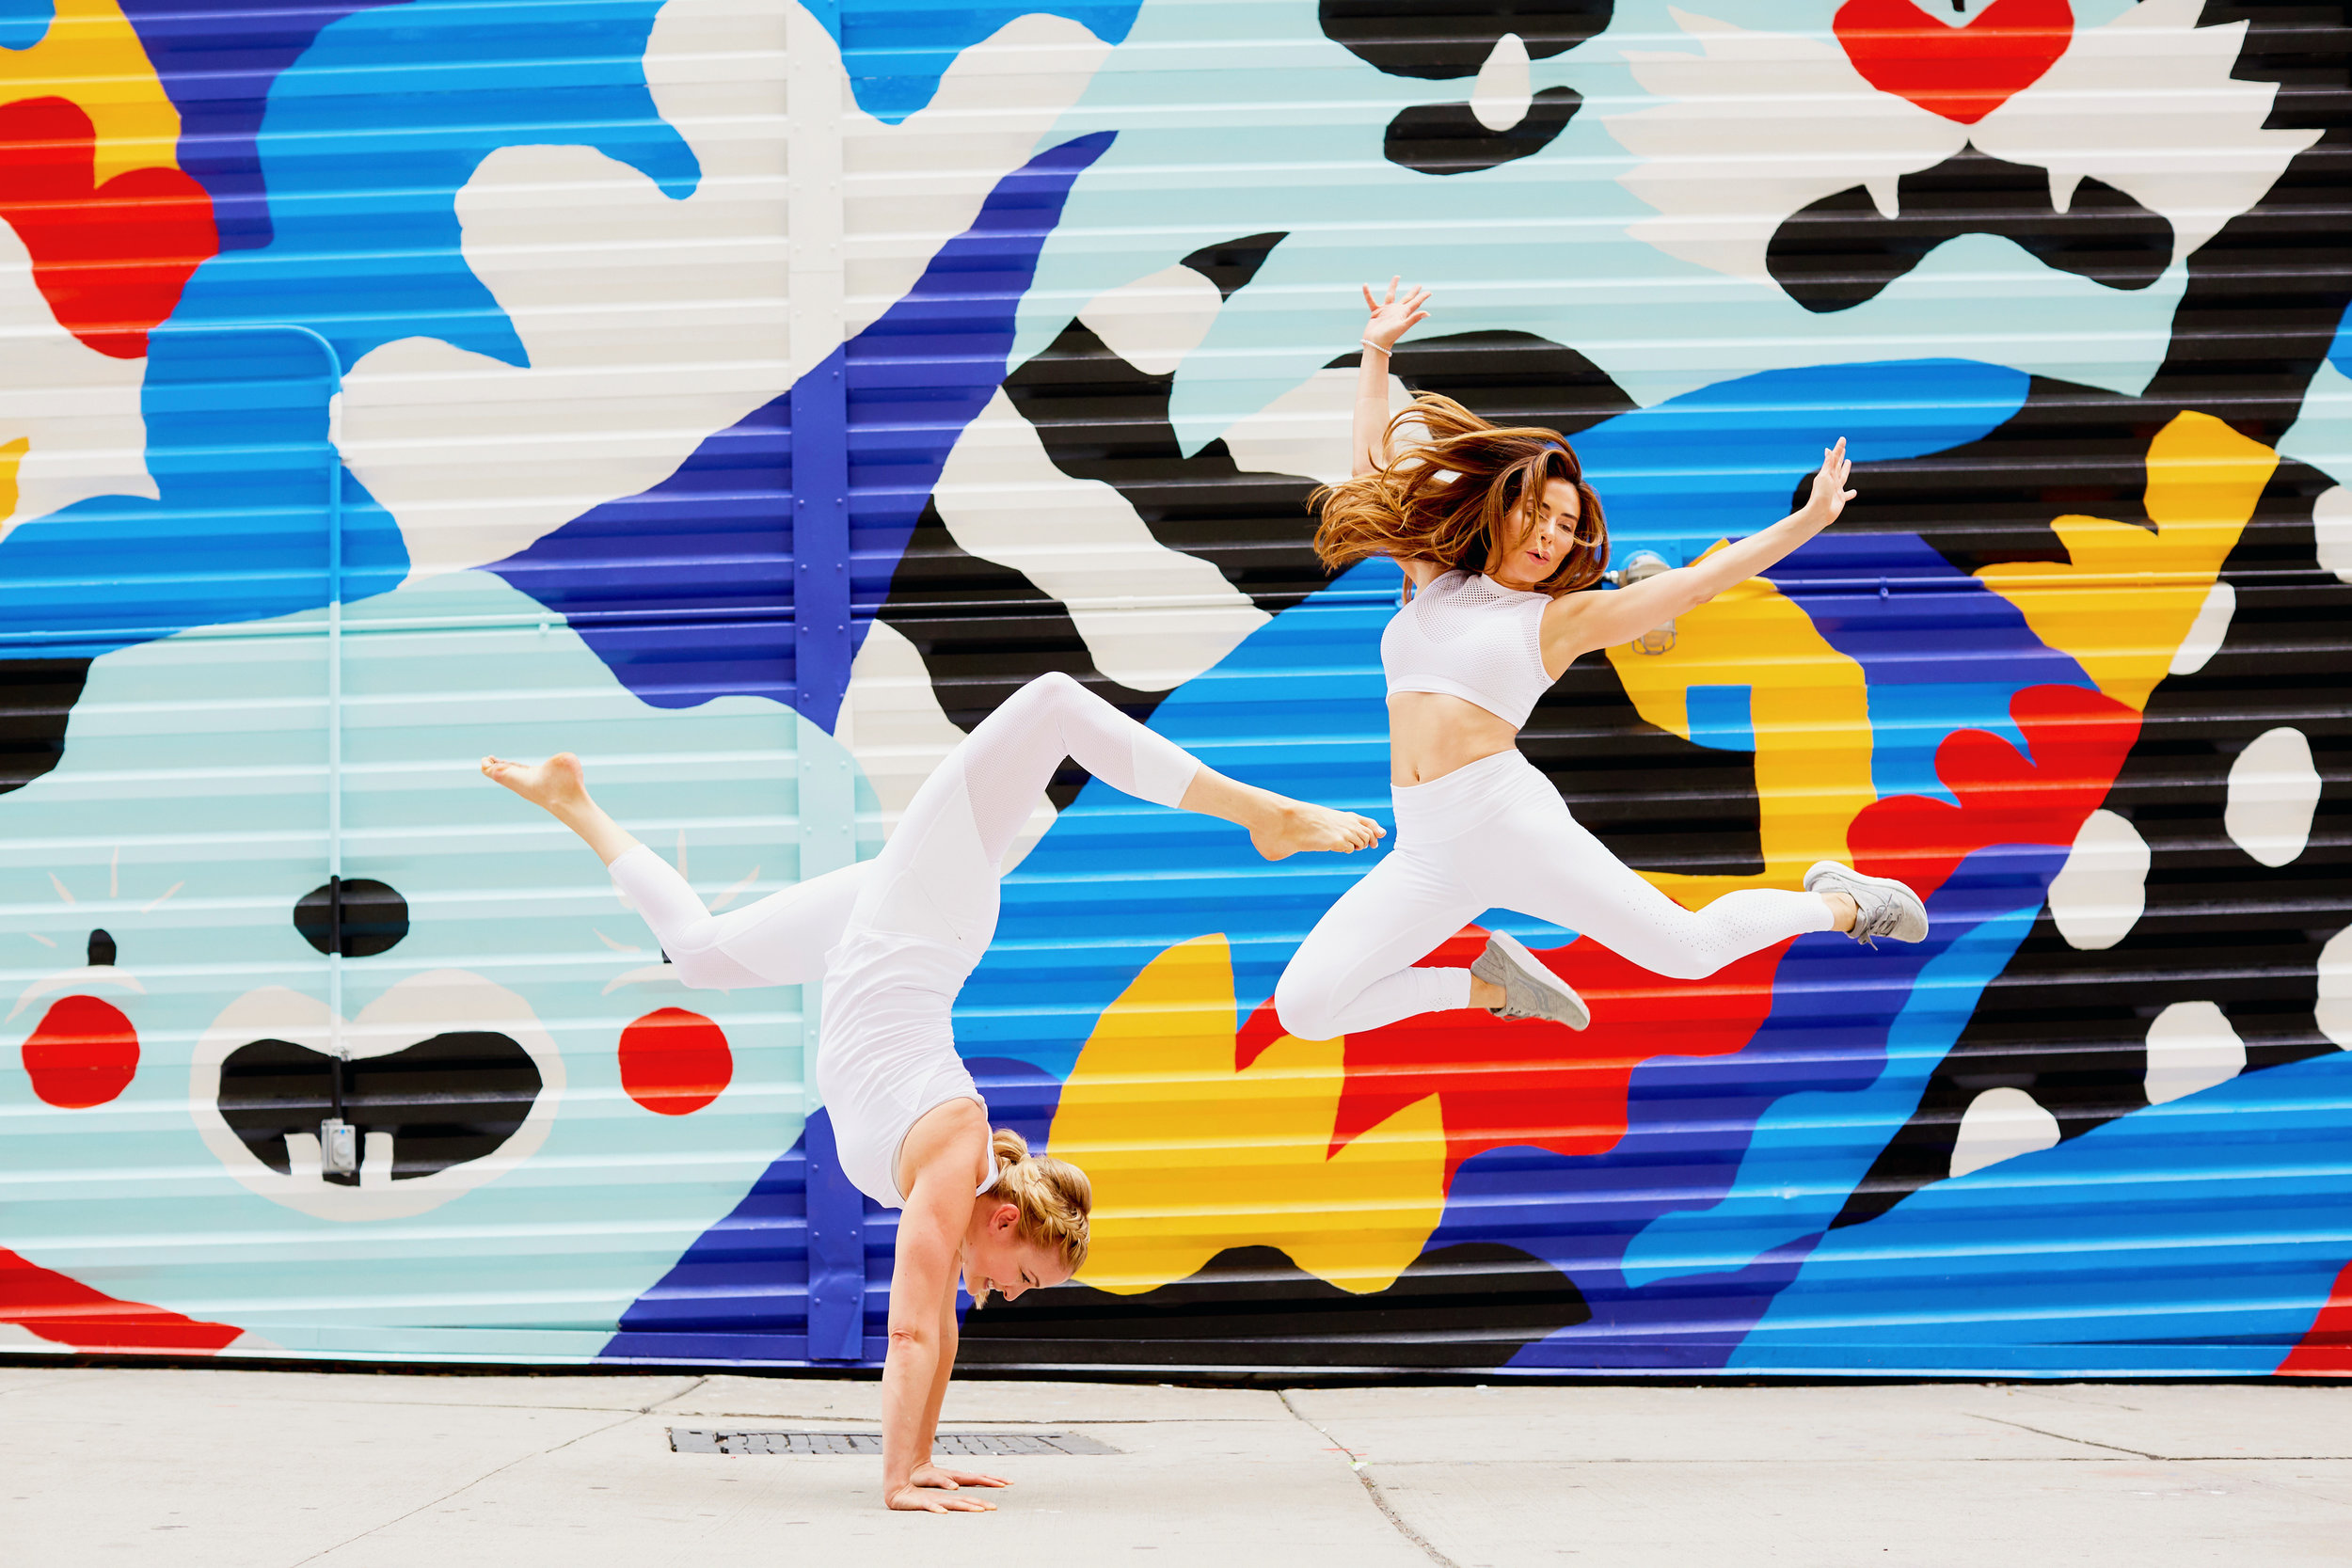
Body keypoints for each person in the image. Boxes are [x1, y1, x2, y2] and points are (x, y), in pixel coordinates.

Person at [482, 672, 1381, 1512]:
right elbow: (913, 1332)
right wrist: (902, 1472)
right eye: (1026, 1275)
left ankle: (573, 799)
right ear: (1002, 1220)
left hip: (890, 929)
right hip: (920, 917)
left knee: (703, 953)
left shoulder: (957, 1180)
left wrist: (923, 1451)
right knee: (1054, 704)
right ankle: (1261, 814)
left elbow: (937, 1325)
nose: (1016, 1295)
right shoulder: (954, 1158)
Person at [1271, 279, 1928, 1045]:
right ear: (1501, 508)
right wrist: (1377, 349)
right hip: (1427, 846)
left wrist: (1807, 520)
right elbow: (1375, 478)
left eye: (1566, 524)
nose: (1549, 533)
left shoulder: (1554, 620)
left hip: (1507, 822)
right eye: (1536, 512)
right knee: (1305, 1008)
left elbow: (1697, 582)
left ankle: (1845, 903)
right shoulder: (1434, 580)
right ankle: (1490, 986)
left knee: (1688, 951)